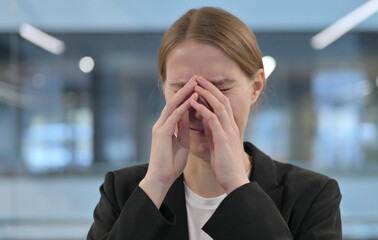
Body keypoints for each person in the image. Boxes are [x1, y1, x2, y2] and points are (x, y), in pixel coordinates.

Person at [87, 7, 342, 240]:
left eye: (220, 89)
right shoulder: (124, 192)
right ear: (163, 89)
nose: (200, 109)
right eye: (183, 90)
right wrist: (155, 184)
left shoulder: (312, 196)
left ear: (255, 87)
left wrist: (238, 186)